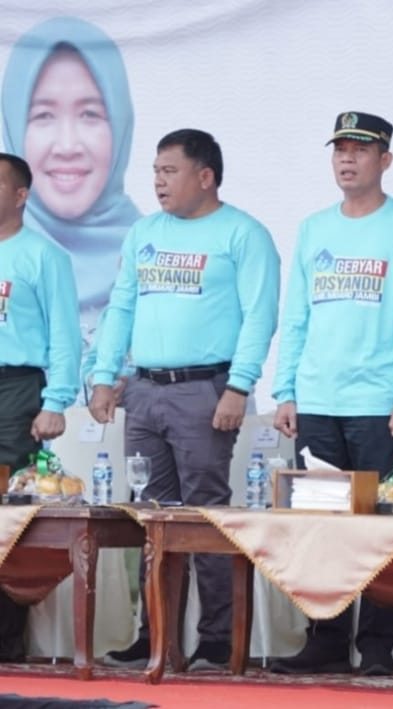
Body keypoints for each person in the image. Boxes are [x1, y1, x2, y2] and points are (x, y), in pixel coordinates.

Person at [88, 129, 280, 670]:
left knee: (204, 515)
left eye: (169, 171)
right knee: (150, 516)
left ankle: (216, 639)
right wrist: (104, 376)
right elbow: (121, 307)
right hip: (144, 391)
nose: (158, 181)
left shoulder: (243, 233)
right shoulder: (144, 232)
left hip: (205, 390)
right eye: (155, 171)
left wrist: (239, 386)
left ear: (206, 176)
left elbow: (260, 315)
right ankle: (155, 636)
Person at [270, 112, 393, 677]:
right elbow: (296, 316)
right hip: (318, 400)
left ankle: (378, 646)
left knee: (384, 528)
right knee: (321, 527)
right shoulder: (314, 227)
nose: (347, 158)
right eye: (340, 148)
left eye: (360, 150)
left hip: (383, 405)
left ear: (384, 160)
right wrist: (286, 390)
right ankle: (324, 638)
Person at [1, 17, 141, 382]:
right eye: (43, 115)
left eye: (90, 114)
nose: (66, 146)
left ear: (120, 124)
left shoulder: (153, 248)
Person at [0, 153, 81, 661]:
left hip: (15, 389)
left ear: (21, 195)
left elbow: (65, 336)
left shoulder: (43, 256)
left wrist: (56, 401)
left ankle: (6, 638)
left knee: (8, 513)